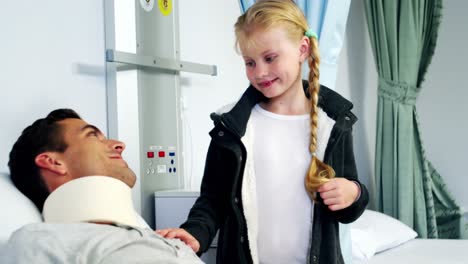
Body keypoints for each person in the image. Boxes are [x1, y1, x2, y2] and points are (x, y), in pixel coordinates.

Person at [156, 1, 369, 263]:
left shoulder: (333, 124)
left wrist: (353, 193)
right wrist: (194, 234)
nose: (260, 72)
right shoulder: (231, 127)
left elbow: (349, 203)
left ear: (302, 49)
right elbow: (212, 202)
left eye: (270, 58)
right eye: (250, 63)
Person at [1, 108, 203, 264]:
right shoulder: (38, 241)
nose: (119, 144)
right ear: (53, 162)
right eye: (92, 135)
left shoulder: (166, 240)